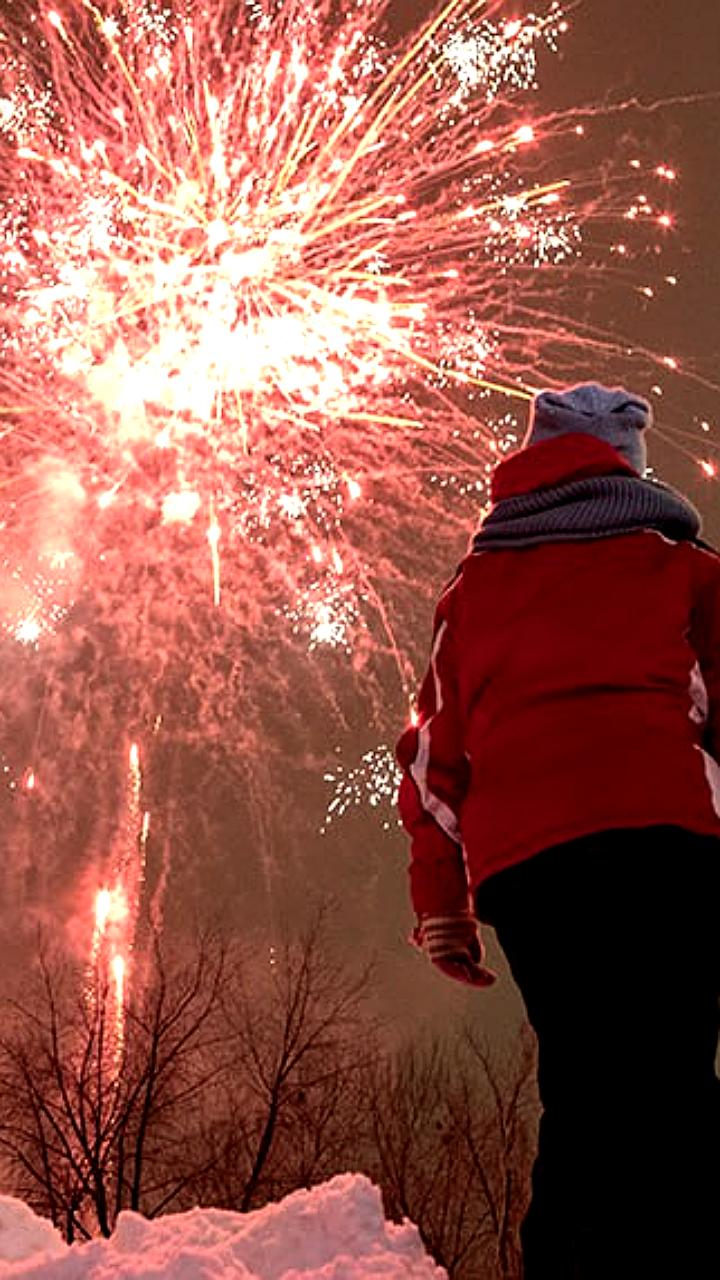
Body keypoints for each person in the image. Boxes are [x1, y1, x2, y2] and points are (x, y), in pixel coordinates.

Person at [396, 384, 720, 1279]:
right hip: (668, 841)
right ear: (629, 466)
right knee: (676, 1080)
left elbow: (432, 759)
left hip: (531, 868)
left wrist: (443, 903)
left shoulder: (473, 592)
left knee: (582, 1090)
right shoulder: (682, 566)